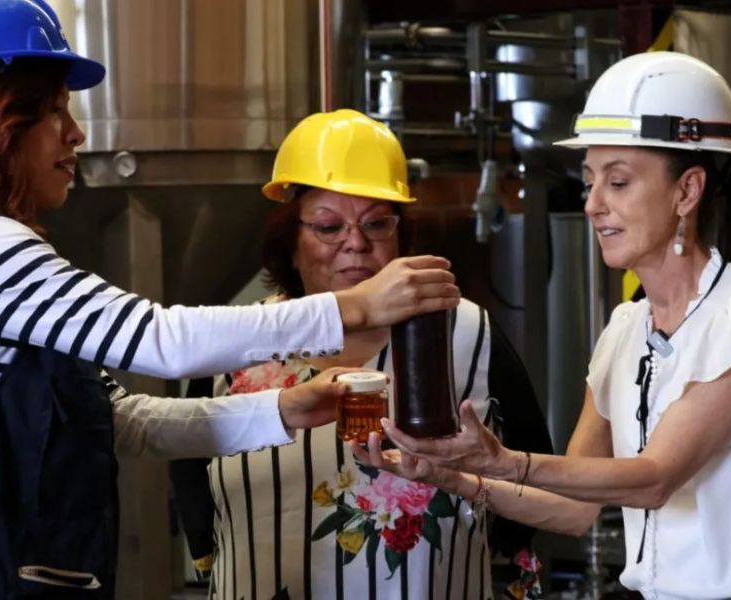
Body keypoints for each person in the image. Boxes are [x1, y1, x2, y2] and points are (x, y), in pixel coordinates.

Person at [0, 1, 460, 598]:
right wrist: (356, 306)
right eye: (52, 111)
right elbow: (160, 341)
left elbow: (123, 420)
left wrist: (284, 410)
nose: (77, 133)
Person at [353, 51, 731, 600]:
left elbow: (654, 477)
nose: (592, 204)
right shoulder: (626, 327)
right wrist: (449, 478)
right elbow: (573, 508)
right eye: (589, 181)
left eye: (617, 183)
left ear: (687, 191)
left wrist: (504, 460)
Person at [170, 109, 553, 600]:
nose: (355, 242)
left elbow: (534, 463)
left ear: (399, 238)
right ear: (291, 244)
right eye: (328, 227)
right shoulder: (238, 340)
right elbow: (186, 467)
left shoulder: (465, 332)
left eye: (376, 223)